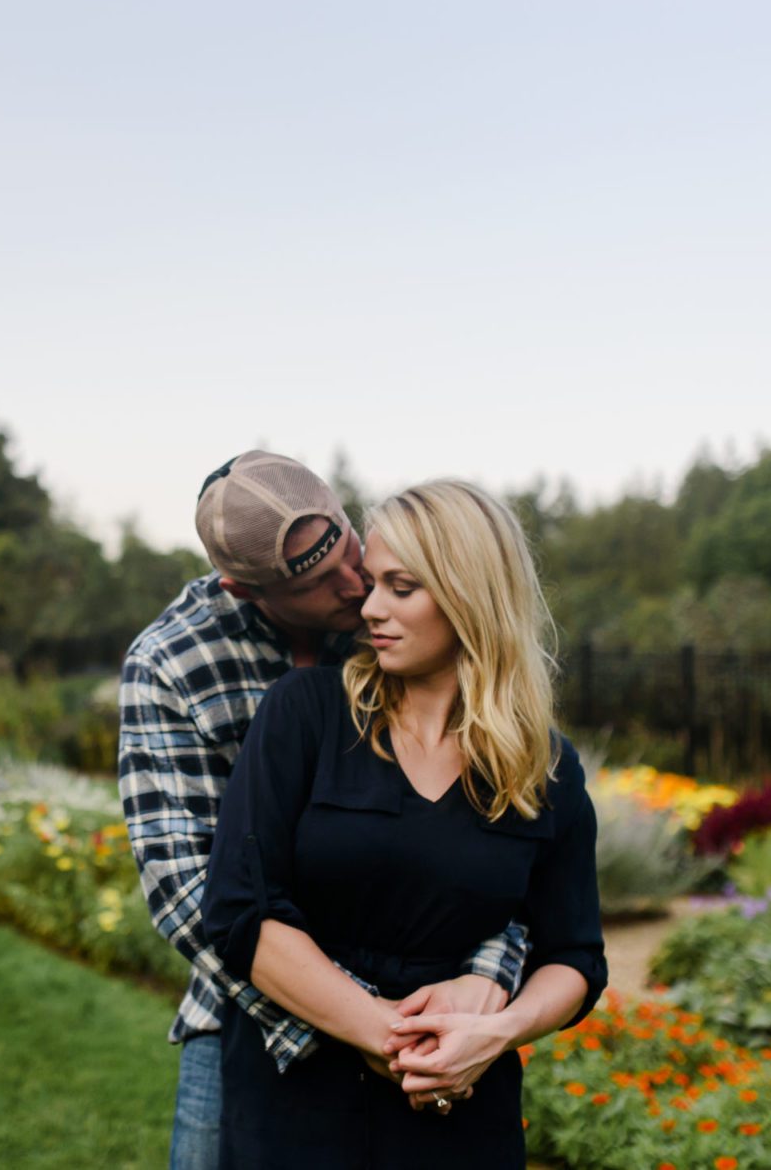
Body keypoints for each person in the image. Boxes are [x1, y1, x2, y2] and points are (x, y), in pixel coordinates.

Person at [118, 453, 529, 1170]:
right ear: (244, 589)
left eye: (347, 546)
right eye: (318, 583)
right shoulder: (171, 664)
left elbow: (506, 853)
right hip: (257, 1017)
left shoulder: (397, 609)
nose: (357, 587)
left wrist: (476, 992)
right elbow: (190, 892)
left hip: (428, 1013)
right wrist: (365, 1023)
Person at [200, 478, 607, 1168]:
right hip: (296, 1109)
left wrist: (497, 1033)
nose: (370, 606)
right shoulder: (306, 713)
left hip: (461, 1114)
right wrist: (393, 1037)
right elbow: (242, 914)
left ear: (468, 596)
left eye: (401, 586)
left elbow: (574, 956)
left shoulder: (545, 766)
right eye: (374, 582)